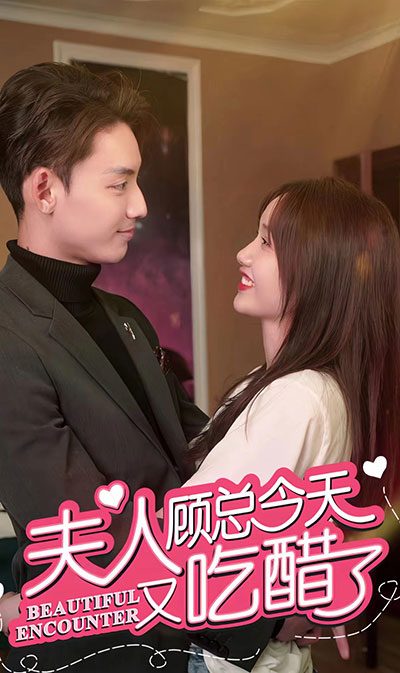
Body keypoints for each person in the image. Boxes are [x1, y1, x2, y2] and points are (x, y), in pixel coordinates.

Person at [0, 62, 289, 672]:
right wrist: (267, 602)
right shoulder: (9, 336)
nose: (141, 204)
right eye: (119, 184)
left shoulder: (125, 316)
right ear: (44, 190)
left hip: (196, 632)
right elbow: (88, 539)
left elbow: (205, 456)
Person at [183, 177, 400, 673]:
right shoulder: (291, 388)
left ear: (316, 271)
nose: (243, 254)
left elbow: (190, 539)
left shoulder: (299, 397)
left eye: (266, 242)